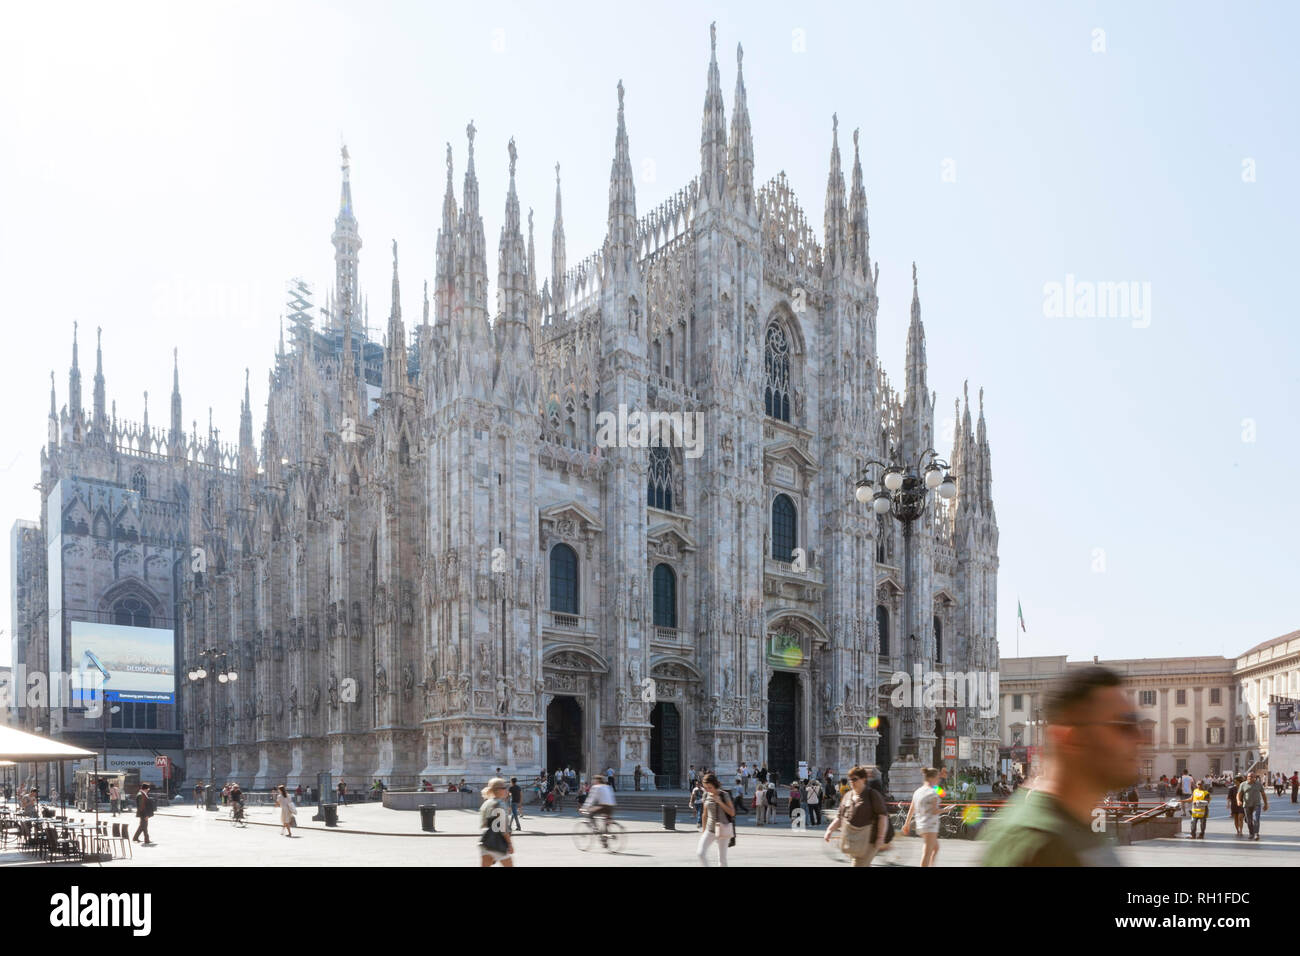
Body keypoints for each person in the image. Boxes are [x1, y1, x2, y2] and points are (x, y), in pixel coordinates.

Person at [981, 665, 1134, 866]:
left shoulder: (1079, 825)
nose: (1142, 738)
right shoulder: (1033, 843)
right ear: (1073, 739)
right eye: (1124, 726)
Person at [825, 765, 889, 866]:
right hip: (853, 840)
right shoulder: (848, 796)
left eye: (854, 779)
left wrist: (880, 837)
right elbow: (840, 817)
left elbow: (882, 816)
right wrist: (830, 830)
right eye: (850, 780)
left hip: (869, 841)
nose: (851, 782)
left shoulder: (872, 795)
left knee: (858, 864)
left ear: (863, 779)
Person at [902, 767, 942, 867]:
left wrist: (907, 824)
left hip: (921, 825)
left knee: (935, 848)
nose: (939, 780)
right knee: (927, 853)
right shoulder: (932, 793)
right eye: (937, 777)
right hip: (930, 825)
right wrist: (947, 809)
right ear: (931, 778)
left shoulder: (918, 791)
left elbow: (912, 808)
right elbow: (935, 811)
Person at [696, 772, 736, 867]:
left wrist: (720, 802)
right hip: (709, 830)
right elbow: (704, 814)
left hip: (723, 829)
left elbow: (732, 812)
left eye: (710, 787)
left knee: (722, 860)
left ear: (715, 785)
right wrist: (703, 831)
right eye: (705, 787)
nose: (707, 789)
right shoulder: (706, 795)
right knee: (700, 853)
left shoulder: (724, 795)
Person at [478, 778, 515, 867]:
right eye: (504, 788)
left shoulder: (487, 803)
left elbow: (483, 824)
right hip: (498, 843)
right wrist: (510, 844)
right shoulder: (500, 804)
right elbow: (503, 828)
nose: (507, 790)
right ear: (498, 790)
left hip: (486, 841)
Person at [582, 774, 617, 847]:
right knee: (606, 822)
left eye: (594, 780)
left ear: (597, 780)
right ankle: (605, 840)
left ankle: (596, 829)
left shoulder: (596, 787)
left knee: (590, 813)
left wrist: (584, 807)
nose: (593, 782)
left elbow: (591, 799)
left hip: (603, 806)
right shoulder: (608, 786)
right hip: (611, 806)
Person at [1238, 772, 1268, 841]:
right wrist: (1238, 801)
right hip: (1247, 805)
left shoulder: (1258, 784)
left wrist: (1266, 804)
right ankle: (1251, 833)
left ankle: (1256, 833)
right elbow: (1239, 794)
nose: (1250, 778)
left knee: (1256, 819)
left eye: (1252, 777)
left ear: (1255, 777)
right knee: (1249, 820)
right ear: (1247, 777)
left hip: (1256, 805)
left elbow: (1263, 794)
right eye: (1249, 776)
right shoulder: (1243, 784)